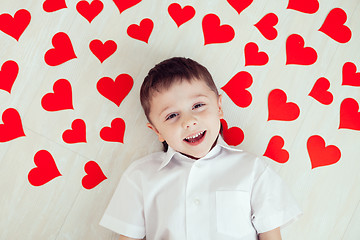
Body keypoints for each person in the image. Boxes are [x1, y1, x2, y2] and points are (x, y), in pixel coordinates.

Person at [100, 57, 302, 240]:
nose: (189, 122)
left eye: (198, 106)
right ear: (157, 131)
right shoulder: (140, 176)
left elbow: (271, 234)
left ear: (219, 106)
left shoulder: (252, 169)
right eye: (171, 116)